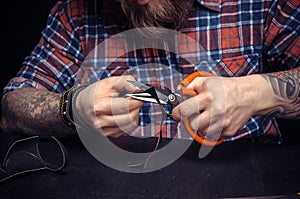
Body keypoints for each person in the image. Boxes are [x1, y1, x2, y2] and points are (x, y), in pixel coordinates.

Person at [0, 0, 299, 145]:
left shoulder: (261, 4)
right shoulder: (74, 12)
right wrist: (71, 109)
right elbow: (12, 108)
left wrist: (258, 92)